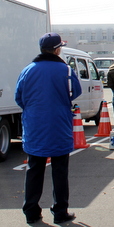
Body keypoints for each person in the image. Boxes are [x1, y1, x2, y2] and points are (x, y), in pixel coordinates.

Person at [15, 33, 81, 225]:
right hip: (59, 124)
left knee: (34, 169)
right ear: (57, 49)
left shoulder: (28, 70)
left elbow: (19, 98)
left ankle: (31, 212)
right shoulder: (66, 70)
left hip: (35, 125)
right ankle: (60, 211)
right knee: (60, 171)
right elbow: (74, 92)